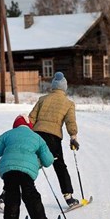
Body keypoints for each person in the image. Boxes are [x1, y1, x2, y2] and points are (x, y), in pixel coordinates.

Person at [0, 114, 54, 219]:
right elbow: (48, 161)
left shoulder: (7, 134)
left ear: (15, 125)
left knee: (11, 196)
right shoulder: (37, 138)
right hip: (27, 171)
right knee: (31, 196)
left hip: (9, 170)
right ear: (30, 126)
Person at [28, 71, 80, 208]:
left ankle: (5, 195)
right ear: (64, 87)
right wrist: (73, 137)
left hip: (36, 136)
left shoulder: (42, 99)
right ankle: (68, 197)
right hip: (52, 139)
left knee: (28, 164)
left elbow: (31, 118)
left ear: (53, 86)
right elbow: (70, 122)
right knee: (60, 166)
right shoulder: (68, 103)